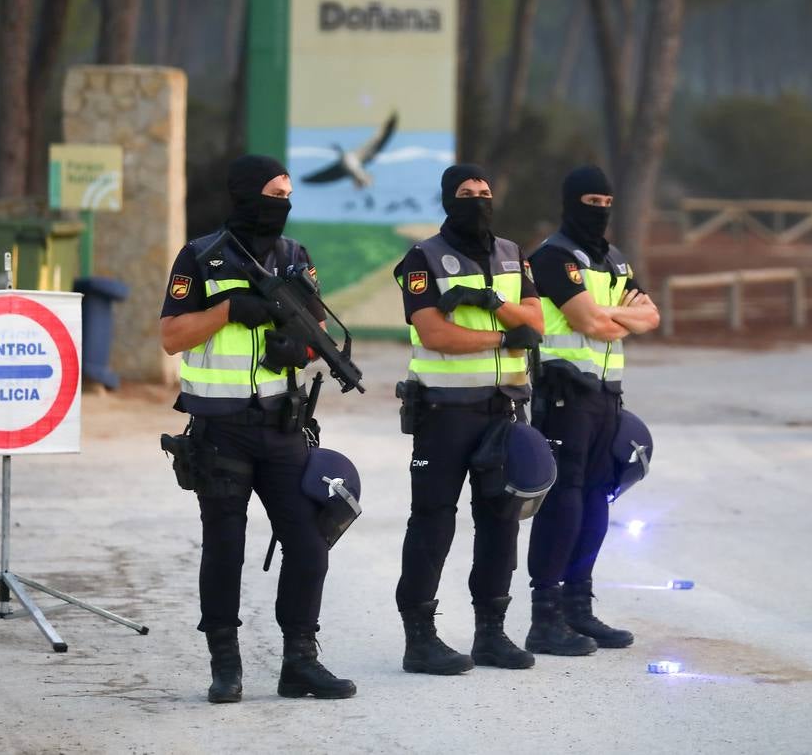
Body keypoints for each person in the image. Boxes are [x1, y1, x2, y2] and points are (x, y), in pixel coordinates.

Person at [159, 155, 356, 703]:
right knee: (225, 547)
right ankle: (226, 664)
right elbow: (172, 336)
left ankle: (300, 661)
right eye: (274, 192)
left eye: (288, 193)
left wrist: (301, 346)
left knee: (310, 542)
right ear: (247, 194)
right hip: (220, 430)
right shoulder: (200, 256)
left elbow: (317, 328)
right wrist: (229, 311)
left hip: (282, 427)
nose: (283, 204)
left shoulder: (295, 256)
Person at [393, 164, 545, 674]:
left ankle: (491, 634)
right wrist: (505, 334)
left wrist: (490, 302)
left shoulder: (511, 253)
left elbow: (537, 323)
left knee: (500, 522)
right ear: (447, 201)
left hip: (503, 410)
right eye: (465, 193)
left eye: (484, 192)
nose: (477, 200)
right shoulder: (423, 258)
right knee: (433, 522)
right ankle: (420, 639)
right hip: (444, 411)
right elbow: (435, 334)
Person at [523, 166, 659, 655]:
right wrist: (622, 318)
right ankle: (545, 618)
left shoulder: (614, 261)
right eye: (590, 202)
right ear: (569, 202)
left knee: (598, 498)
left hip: (607, 396)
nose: (599, 210)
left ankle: (579, 609)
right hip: (564, 395)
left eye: (606, 201)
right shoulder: (552, 256)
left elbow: (652, 316)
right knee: (564, 500)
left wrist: (611, 318)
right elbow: (586, 320)